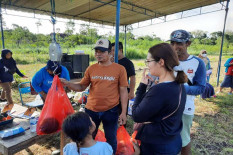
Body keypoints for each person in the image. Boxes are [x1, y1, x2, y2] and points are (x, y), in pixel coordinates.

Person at [60, 38, 128, 154]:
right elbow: (81, 87)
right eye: (96, 51)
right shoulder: (91, 68)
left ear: (110, 52)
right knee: (85, 137)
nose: (98, 54)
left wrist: (123, 112)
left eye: (102, 51)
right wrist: (68, 84)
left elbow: (123, 91)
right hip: (91, 110)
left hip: (111, 110)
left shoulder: (120, 69)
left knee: (111, 138)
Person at [132, 43, 187, 154]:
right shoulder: (179, 85)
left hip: (157, 146)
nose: (147, 65)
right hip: (172, 141)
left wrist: (142, 87)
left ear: (161, 62)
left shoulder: (160, 90)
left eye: (148, 61)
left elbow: (136, 115)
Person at [170, 30, 206, 155]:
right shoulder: (168, 61)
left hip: (185, 108)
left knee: (184, 140)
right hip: (166, 108)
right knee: (168, 138)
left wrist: (180, 88)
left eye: (179, 43)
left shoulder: (198, 63)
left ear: (188, 43)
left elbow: (201, 88)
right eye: (172, 43)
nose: (175, 47)